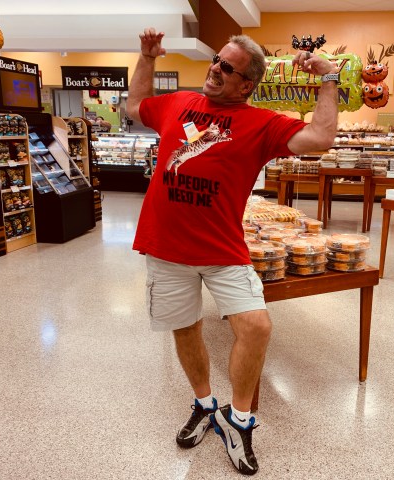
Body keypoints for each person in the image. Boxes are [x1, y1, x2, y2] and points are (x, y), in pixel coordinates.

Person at [126, 28, 339, 476]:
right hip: (166, 246)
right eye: (216, 61)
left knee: (256, 326)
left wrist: (329, 78)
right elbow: (135, 105)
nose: (215, 69)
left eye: (227, 67)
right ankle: (205, 405)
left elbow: (321, 137)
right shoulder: (178, 103)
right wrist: (146, 58)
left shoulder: (261, 123)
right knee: (185, 329)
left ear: (246, 85)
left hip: (223, 249)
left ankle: (238, 421)